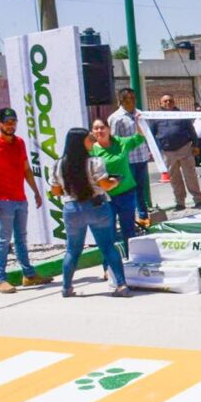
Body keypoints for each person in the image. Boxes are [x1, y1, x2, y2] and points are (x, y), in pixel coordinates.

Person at [0, 107, 53, 293]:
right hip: (2, 200)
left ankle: (29, 275)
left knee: (21, 238)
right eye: (7, 122)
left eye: (13, 122)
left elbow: (26, 169)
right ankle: (0, 279)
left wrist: (35, 191)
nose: (11, 125)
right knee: (4, 240)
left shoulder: (19, 143)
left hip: (20, 198)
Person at [50, 128, 130, 298]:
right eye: (90, 138)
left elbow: (55, 191)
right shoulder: (95, 162)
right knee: (107, 246)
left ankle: (66, 287)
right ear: (81, 142)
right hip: (96, 206)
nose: (93, 141)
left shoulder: (58, 165)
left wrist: (69, 190)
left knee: (72, 249)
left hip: (72, 208)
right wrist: (115, 182)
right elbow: (105, 185)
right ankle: (121, 285)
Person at [90, 117, 147, 258]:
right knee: (109, 233)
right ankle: (109, 264)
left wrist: (139, 122)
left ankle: (132, 259)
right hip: (105, 198)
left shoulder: (121, 142)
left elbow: (139, 138)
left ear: (108, 129)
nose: (99, 131)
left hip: (126, 194)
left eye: (102, 127)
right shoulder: (91, 151)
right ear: (92, 132)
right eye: (96, 128)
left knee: (129, 230)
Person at [151, 94, 201, 212]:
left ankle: (198, 200)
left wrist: (195, 145)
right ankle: (180, 202)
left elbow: (191, 130)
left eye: (170, 100)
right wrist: (156, 149)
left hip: (184, 148)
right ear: (161, 103)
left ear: (174, 102)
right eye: (165, 101)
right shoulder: (156, 117)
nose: (168, 103)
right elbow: (151, 134)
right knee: (174, 178)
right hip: (167, 152)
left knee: (190, 175)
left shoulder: (181, 114)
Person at [108, 88, 152, 227]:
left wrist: (150, 150)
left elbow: (146, 134)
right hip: (128, 160)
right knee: (129, 190)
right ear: (122, 100)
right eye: (129, 98)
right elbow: (114, 140)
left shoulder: (140, 114)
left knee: (141, 188)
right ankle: (129, 219)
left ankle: (143, 216)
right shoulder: (116, 118)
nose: (132, 101)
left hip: (142, 157)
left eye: (134, 98)